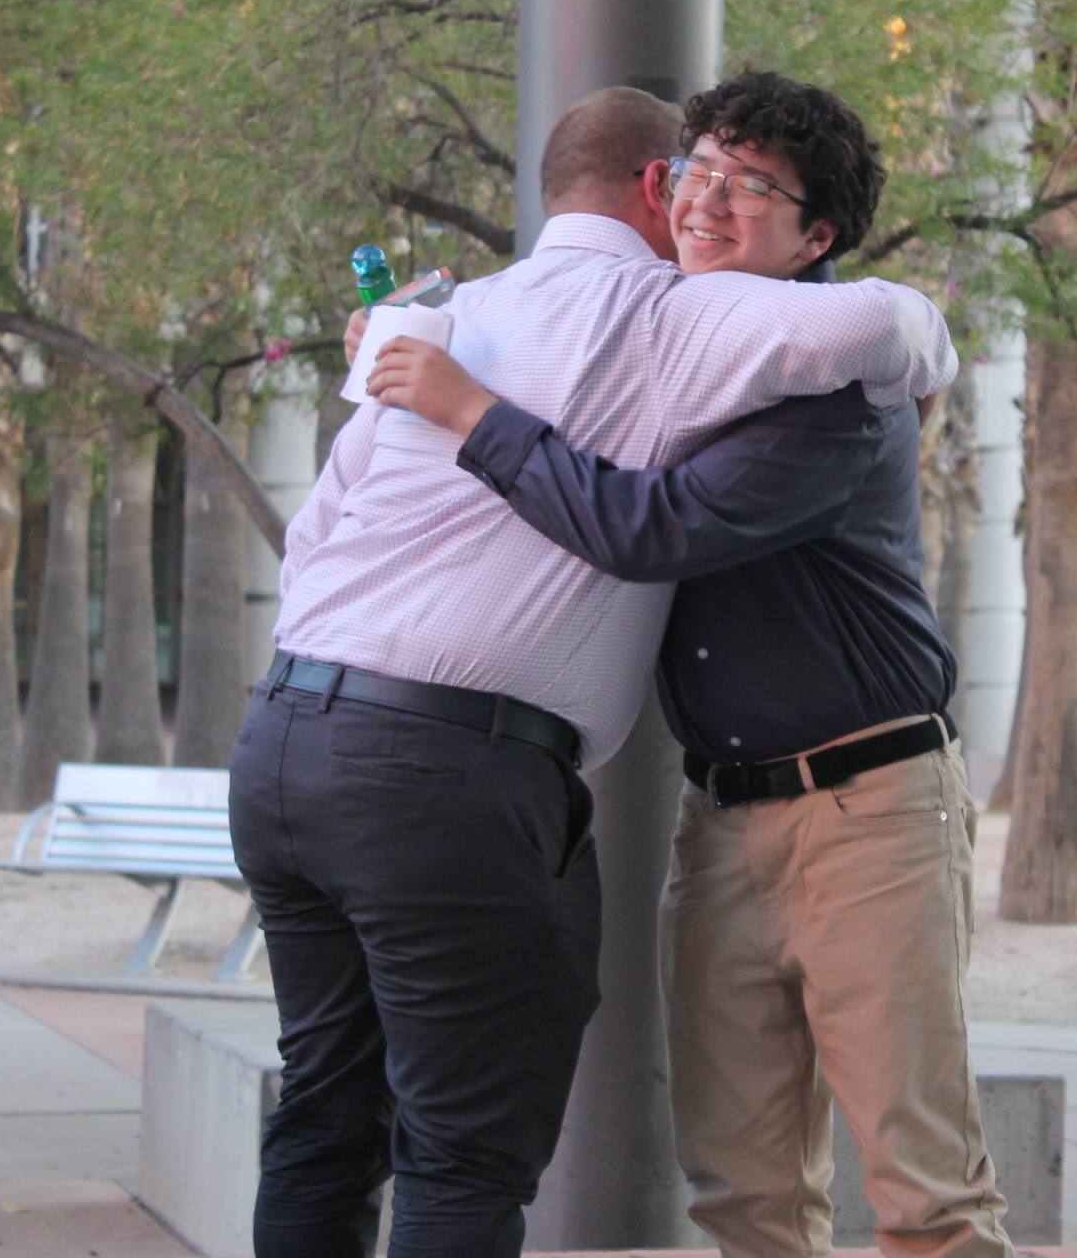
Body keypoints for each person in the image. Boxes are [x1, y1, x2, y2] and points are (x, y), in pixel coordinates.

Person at [230, 84, 958, 1258]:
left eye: (743, 184)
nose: (709, 201)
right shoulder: (668, 317)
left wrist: (454, 390)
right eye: (697, 174)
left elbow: (321, 534)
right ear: (653, 187)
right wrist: (933, 334)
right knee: (462, 1154)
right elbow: (889, 327)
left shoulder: (447, 318)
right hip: (451, 781)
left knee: (327, 1109)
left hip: (285, 740)